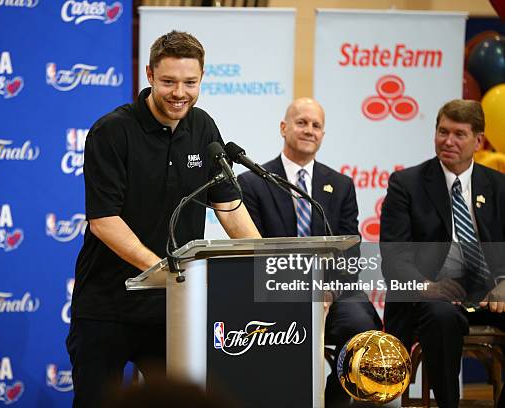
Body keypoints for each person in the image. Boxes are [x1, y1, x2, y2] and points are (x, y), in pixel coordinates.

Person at [66, 31, 261, 407]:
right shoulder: (111, 131)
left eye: (190, 82)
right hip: (107, 305)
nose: (179, 93)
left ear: (202, 77)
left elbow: (230, 209)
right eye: (169, 81)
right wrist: (164, 270)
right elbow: (104, 221)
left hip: (173, 311)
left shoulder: (203, 127)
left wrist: (269, 264)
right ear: (149, 75)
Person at [238, 98, 382, 408]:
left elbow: (349, 251)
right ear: (283, 127)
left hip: (334, 292)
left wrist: (327, 291)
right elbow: (253, 252)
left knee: (359, 324)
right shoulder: (252, 182)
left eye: (316, 125)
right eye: (302, 122)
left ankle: (336, 397)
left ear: (323, 134)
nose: (309, 130)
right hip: (276, 291)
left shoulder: (341, 185)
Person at [380, 99, 505, 407]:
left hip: (487, 294)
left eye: (459, 134)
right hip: (427, 297)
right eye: (442, 131)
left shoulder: (498, 185)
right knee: (441, 314)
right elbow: (393, 258)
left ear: (478, 140)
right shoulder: (406, 184)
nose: (448, 141)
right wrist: (428, 286)